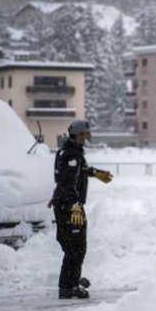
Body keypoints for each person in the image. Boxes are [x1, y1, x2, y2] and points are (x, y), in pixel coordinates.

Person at [49, 120, 113, 300]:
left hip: (65, 204)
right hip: (70, 207)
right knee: (76, 248)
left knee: (73, 246)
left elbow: (75, 173)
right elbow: (68, 183)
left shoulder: (69, 152)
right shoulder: (71, 154)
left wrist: (95, 173)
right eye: (85, 134)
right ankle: (69, 287)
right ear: (78, 135)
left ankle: (71, 280)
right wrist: (75, 208)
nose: (88, 137)